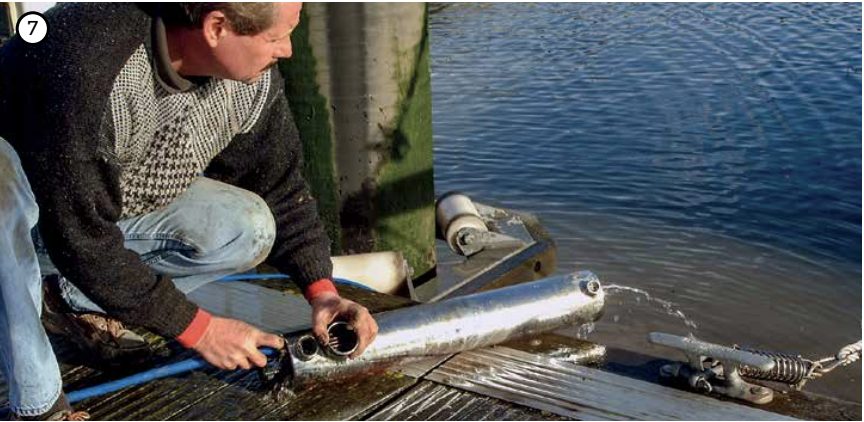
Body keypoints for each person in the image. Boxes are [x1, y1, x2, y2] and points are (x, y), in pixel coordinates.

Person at [0, 3, 378, 419]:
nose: (287, 50)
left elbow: (281, 189)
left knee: (248, 226)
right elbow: (79, 239)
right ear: (217, 27)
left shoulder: (251, 80)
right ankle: (38, 407)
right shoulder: (86, 63)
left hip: (93, 210)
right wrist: (200, 329)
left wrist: (322, 294)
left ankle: (69, 299)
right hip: (35, 218)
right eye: (274, 38)